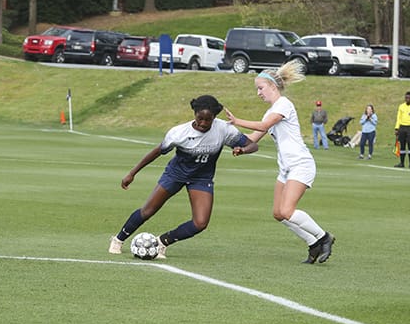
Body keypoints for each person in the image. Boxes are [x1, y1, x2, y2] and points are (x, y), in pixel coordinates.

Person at [108, 95, 258, 259]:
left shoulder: (224, 129)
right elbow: (157, 152)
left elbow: (253, 144)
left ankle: (161, 242)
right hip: (175, 175)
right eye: (199, 118)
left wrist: (243, 150)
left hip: (201, 179)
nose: (202, 123)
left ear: (214, 117)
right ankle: (118, 239)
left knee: (200, 223)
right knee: (148, 210)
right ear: (194, 114)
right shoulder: (179, 133)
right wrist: (132, 173)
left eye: (207, 120)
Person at [225, 61, 335, 265]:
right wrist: (237, 145)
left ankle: (324, 237)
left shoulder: (284, 104)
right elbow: (253, 137)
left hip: (300, 164)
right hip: (286, 168)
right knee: (278, 213)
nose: (258, 93)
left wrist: (236, 121)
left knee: (287, 211)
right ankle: (313, 243)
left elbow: (265, 125)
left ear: (273, 87)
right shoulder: (270, 111)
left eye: (260, 88)